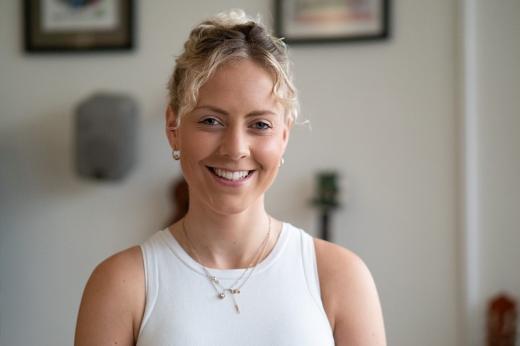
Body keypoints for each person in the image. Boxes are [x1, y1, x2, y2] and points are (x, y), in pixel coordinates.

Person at [74, 9, 386, 346]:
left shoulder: (341, 277)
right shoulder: (121, 284)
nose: (235, 149)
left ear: (283, 136)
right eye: (211, 121)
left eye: (260, 125)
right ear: (173, 128)